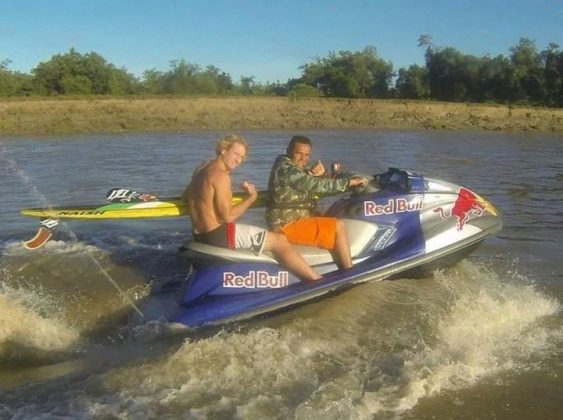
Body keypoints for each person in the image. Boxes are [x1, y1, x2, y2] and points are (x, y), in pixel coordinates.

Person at [182, 134, 322, 282]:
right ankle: (315, 280)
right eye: (236, 154)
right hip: (219, 236)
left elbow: (185, 197)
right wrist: (251, 198)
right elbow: (227, 217)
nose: (238, 160)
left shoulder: (201, 168)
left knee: (260, 236)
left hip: (199, 236)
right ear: (223, 149)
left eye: (242, 157)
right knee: (279, 241)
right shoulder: (221, 176)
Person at [266, 135, 367, 270]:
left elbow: (316, 183)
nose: (303, 158)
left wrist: (323, 174)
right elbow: (314, 185)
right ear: (289, 151)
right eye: (299, 153)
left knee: (331, 216)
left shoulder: (294, 167)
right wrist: (350, 182)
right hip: (285, 224)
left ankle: (334, 265)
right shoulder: (286, 169)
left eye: (307, 155)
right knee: (338, 226)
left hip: (296, 218)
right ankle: (349, 273)